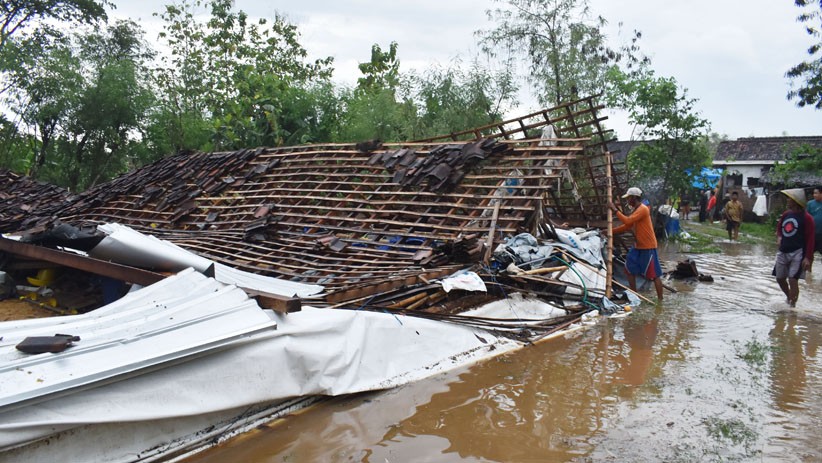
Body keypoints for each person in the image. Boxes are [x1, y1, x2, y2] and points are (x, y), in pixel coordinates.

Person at [609, 186, 664, 300]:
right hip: (638, 246)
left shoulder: (643, 209)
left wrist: (615, 210)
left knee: (654, 275)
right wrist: (611, 231)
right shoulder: (637, 210)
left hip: (648, 246)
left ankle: (660, 300)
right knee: (629, 268)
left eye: (629, 198)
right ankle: (634, 294)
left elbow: (627, 221)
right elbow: (628, 226)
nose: (627, 201)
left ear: (634, 198)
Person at [773, 189, 815, 307]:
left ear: (796, 201)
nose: (787, 200)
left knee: (793, 279)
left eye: (790, 199)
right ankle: (789, 297)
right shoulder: (787, 214)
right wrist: (779, 237)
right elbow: (780, 227)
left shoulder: (807, 218)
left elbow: (810, 239)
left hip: (798, 252)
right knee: (780, 278)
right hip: (783, 250)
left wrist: (808, 257)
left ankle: (792, 306)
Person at [807, 186, 822, 269]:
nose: (814, 195)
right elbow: (807, 217)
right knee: (809, 255)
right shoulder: (810, 204)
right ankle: (809, 273)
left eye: (816, 193)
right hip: (812, 234)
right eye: (814, 193)